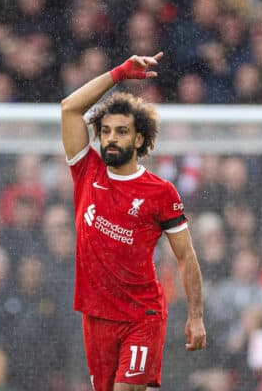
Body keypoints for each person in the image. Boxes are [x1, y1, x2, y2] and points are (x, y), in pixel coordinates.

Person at [60, 51, 206, 391]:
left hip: (142, 316)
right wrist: (118, 74)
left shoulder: (160, 192)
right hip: (95, 316)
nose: (111, 138)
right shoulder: (86, 171)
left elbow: (186, 256)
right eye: (106, 131)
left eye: (122, 132)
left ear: (139, 139)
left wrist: (196, 317)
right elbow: (69, 108)